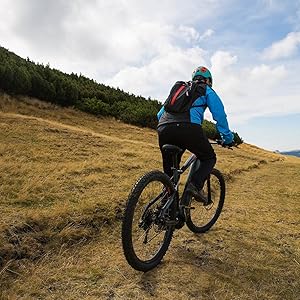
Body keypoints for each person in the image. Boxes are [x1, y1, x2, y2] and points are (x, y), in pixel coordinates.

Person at [157, 66, 234, 200]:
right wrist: (227, 138)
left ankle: (167, 213)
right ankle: (195, 186)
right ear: (208, 80)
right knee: (209, 157)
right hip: (188, 128)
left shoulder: (180, 90)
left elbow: (159, 114)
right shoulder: (206, 89)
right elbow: (219, 114)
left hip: (163, 128)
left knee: (169, 175)